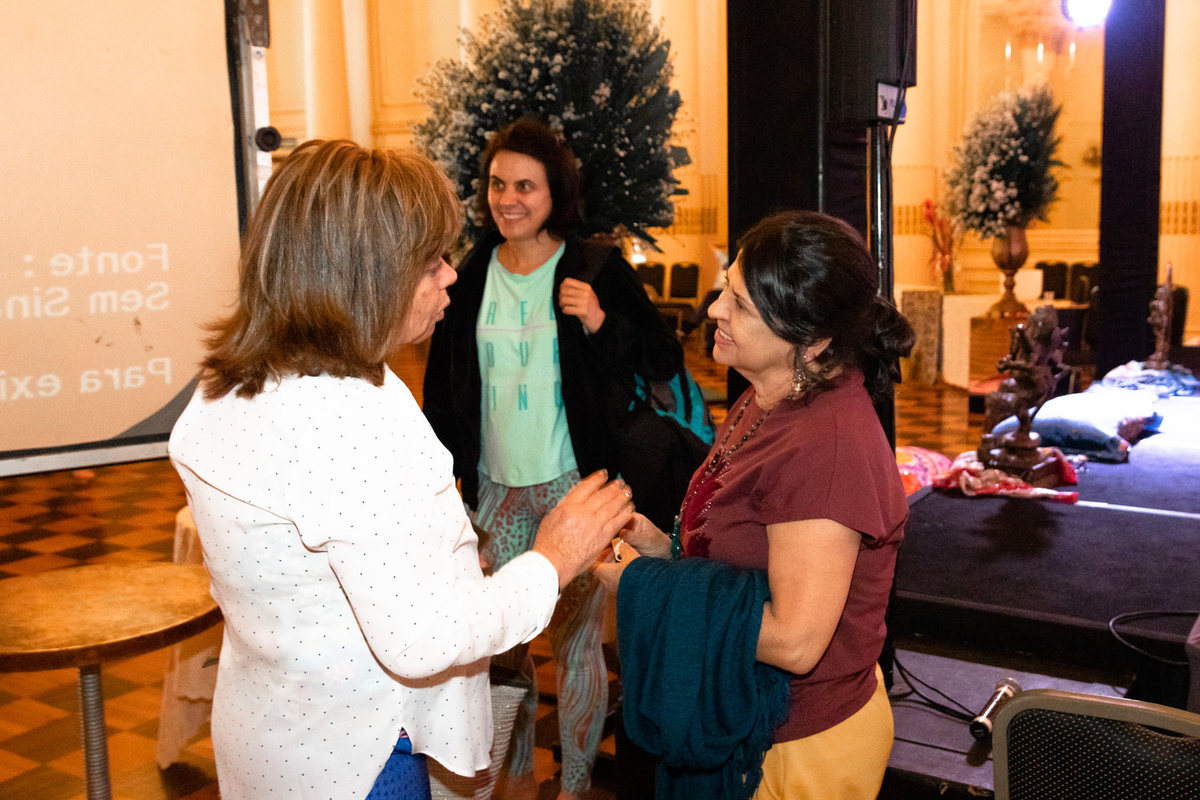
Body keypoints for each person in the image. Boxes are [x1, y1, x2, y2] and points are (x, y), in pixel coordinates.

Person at [168, 139, 634, 800]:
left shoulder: (231, 383)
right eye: (430, 262)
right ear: (367, 276)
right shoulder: (345, 418)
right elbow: (424, 639)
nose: (450, 276)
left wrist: (444, 557)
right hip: (359, 757)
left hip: (271, 729)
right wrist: (554, 558)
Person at [596, 210, 915, 799]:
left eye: (741, 305)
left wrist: (642, 584)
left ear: (812, 342)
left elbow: (795, 642)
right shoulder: (767, 396)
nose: (715, 309)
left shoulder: (827, 449)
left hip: (800, 745)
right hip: (756, 724)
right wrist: (662, 550)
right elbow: (747, 563)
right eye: (726, 288)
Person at [422, 115, 683, 798]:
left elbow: (664, 357)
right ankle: (511, 782)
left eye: (525, 186)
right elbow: (444, 391)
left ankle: (571, 787)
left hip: (575, 490)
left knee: (576, 648)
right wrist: (446, 488)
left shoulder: (592, 267)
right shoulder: (469, 273)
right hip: (494, 495)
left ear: (554, 192)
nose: (508, 199)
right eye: (498, 184)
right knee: (499, 648)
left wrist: (600, 320)